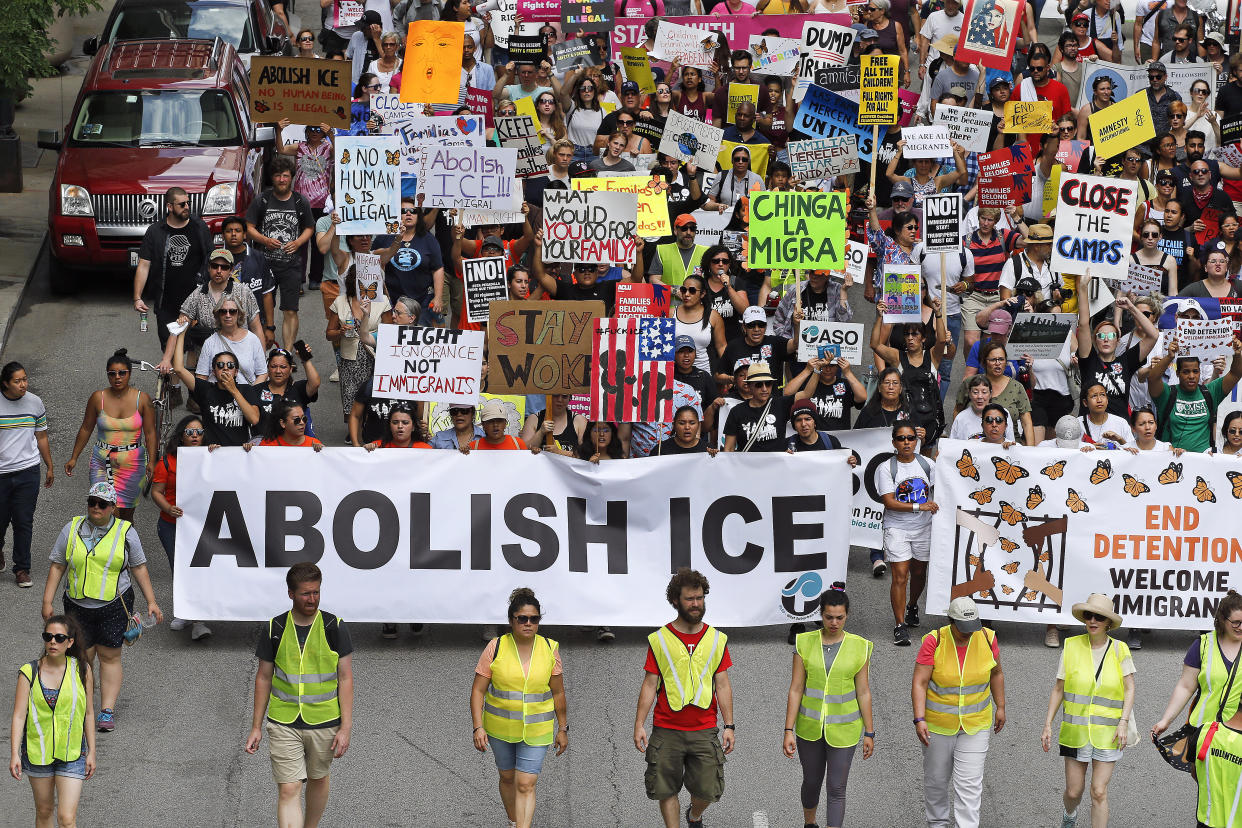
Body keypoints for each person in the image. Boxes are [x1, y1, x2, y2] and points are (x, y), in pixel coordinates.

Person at [40, 482, 163, 734]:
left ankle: (106, 710)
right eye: (92, 502)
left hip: (114, 605)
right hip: (76, 605)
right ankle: (82, 708)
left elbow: (139, 566)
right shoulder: (71, 528)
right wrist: (47, 600)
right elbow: (57, 565)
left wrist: (151, 600)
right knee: (81, 659)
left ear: (113, 508)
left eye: (102, 504)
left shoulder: (126, 532)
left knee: (109, 656)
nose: (96, 507)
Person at [245, 563, 353, 828]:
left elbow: (345, 678)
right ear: (291, 593)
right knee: (289, 789)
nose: (312, 599)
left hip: (325, 721)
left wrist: (346, 728)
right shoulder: (275, 628)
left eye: (316, 592)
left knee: (318, 779)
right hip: (284, 722)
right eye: (306, 593)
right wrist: (256, 726)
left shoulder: (334, 626)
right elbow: (263, 677)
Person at [635, 568, 734, 828]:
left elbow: (722, 685)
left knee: (708, 790)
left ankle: (694, 815)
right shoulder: (659, 640)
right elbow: (649, 684)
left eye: (700, 598)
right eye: (690, 599)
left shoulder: (716, 639)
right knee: (665, 789)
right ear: (676, 601)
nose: (696, 604)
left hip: (704, 729)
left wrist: (729, 726)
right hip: (667, 729)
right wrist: (639, 724)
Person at [470, 587, 568, 828]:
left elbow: (558, 692)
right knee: (507, 777)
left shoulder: (550, 649)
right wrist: (477, 727)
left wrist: (563, 728)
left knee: (525, 783)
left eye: (533, 619)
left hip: (537, 730)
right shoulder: (496, 647)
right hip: (500, 729)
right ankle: (514, 821)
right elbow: (478, 690)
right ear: (511, 621)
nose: (528, 623)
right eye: (522, 618)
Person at [783, 584, 874, 828]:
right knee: (811, 782)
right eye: (829, 617)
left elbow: (863, 691)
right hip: (809, 728)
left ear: (847, 615)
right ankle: (809, 824)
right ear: (821, 615)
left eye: (840, 618)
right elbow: (796, 688)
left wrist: (869, 732)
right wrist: (788, 730)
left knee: (836, 787)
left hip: (845, 730)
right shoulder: (804, 642)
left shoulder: (860, 646)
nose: (834, 622)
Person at [1041, 594, 1135, 828]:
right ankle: (1069, 815)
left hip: (1108, 733)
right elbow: (1059, 688)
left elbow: (1130, 688)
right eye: (1089, 616)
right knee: (1074, 792)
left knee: (1099, 791)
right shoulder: (1071, 646)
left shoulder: (1120, 649)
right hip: (1076, 732)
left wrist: (1123, 722)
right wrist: (1047, 725)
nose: (1093, 620)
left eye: (1099, 617)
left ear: (1108, 623)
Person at [913, 597, 1005, 828]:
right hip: (937, 725)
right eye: (962, 628)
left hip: (975, 724)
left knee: (970, 784)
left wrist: (1001, 706)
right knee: (936, 781)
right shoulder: (934, 641)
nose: (967, 633)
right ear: (950, 621)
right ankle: (937, 824)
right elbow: (920, 682)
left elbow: (996, 674)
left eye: (971, 627)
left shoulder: (986, 637)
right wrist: (919, 718)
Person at [9, 616, 95, 827]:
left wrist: (92, 751)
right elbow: (19, 715)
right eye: (48, 637)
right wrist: (13, 754)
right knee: (45, 810)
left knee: (66, 818)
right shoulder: (28, 672)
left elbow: (89, 713)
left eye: (59, 637)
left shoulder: (82, 670)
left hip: (73, 752)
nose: (53, 642)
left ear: (70, 642)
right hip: (38, 753)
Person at [63, 350, 157, 524]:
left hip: (132, 465)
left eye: (122, 373)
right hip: (102, 462)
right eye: (112, 374)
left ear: (129, 373)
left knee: (126, 516)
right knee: (103, 511)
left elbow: (151, 433)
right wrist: (74, 457)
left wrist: (152, 461)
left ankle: (122, 549)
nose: (117, 377)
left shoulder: (142, 399)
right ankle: (103, 549)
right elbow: (86, 428)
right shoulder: (98, 398)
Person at [1152, 591, 1242, 759]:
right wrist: (1166, 720)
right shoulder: (1203, 645)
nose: (1241, 627)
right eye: (1236, 622)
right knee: (1206, 784)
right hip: (1203, 733)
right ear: (1222, 619)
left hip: (1238, 737)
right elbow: (1186, 687)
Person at [150, 414, 216, 640]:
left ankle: (197, 620)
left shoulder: (212, 456)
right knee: (179, 570)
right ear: (182, 436)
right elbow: (156, 492)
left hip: (201, 527)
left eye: (199, 432)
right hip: (171, 527)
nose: (195, 436)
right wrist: (168, 508)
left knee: (198, 570)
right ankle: (185, 613)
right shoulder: (167, 462)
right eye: (190, 432)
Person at [132, 187, 212, 358]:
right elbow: (144, 265)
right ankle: (173, 385)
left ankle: (193, 384)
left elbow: (210, 260)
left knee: (194, 348)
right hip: (166, 302)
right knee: (170, 351)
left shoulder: (199, 228)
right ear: (169, 206)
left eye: (188, 203)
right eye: (182, 204)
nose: (187, 207)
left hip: (195, 300)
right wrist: (137, 297)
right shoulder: (155, 231)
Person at [247, 155, 316, 349]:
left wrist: (298, 242)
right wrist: (264, 240)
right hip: (264, 265)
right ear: (272, 178)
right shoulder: (262, 200)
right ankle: (260, 351)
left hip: (290, 265)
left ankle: (286, 352)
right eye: (277, 176)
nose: (282, 180)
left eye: (285, 176)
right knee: (258, 310)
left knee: (290, 310)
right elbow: (249, 227)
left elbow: (309, 227)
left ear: (292, 177)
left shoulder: (300, 201)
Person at [879, 422, 936, 646]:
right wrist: (918, 507)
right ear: (894, 442)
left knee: (919, 572)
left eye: (910, 438)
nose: (906, 442)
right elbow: (889, 502)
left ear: (916, 440)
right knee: (900, 576)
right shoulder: (887, 467)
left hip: (924, 528)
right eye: (901, 439)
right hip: (897, 528)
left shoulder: (928, 464)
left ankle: (913, 605)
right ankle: (900, 625)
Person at [0, 362, 53, 588]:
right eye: (17, 381)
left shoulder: (34, 402)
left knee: (24, 521)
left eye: (25, 379)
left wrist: (49, 465)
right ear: (5, 383)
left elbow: (40, 437)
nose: (23, 384)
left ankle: (22, 568)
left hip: (27, 471)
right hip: (1, 473)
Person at [1149, 338, 1242, 452]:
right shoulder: (1167, 394)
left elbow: (1235, 374)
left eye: (1195, 371)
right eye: (1186, 372)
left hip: (1202, 462)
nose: (1191, 376)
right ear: (1178, 373)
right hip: (1172, 461)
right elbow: (1152, 379)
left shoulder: (1210, 392)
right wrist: (1169, 357)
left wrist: (1237, 354)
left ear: (1200, 372)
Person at [171, 333, 262, 446]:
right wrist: (181, 333)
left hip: (238, 453)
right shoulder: (206, 389)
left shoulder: (246, 389)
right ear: (214, 372)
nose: (225, 368)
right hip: (212, 452)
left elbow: (254, 419)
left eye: (230, 365)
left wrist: (233, 390)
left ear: (236, 372)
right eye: (220, 365)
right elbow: (179, 369)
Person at [723, 362, 792, 452]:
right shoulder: (736, 412)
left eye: (768, 384)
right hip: (746, 465)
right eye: (759, 384)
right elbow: (729, 448)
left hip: (776, 465)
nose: (764, 389)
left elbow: (806, 393)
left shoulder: (780, 404)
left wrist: (813, 370)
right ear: (749, 386)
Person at [950, 375, 1016, 441]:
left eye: (984, 392)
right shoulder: (961, 418)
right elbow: (953, 446)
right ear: (969, 394)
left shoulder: (1002, 413)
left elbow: (1011, 443)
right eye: (975, 392)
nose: (980, 396)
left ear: (990, 394)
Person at [464, 399, 528, 451]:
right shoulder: (473, 447)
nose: (495, 425)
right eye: (490, 421)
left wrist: (534, 454)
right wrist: (461, 454)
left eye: (499, 421)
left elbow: (527, 464)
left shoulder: (519, 444)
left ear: (505, 423)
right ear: (483, 425)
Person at [256, 402, 325, 450]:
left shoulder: (314, 445)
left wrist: (323, 452)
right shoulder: (267, 445)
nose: (302, 423)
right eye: (296, 420)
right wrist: (250, 451)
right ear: (282, 423)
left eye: (304, 418)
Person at [361, 405, 431, 451]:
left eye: (405, 423)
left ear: (413, 427)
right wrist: (365, 451)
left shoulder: (425, 449)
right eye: (395, 422)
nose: (400, 426)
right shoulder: (376, 446)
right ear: (389, 426)